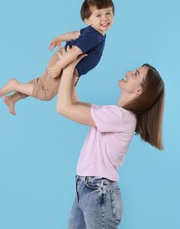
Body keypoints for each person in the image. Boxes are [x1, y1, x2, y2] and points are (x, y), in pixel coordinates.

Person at [56, 53, 165, 229]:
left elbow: (63, 107)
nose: (129, 72)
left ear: (139, 91)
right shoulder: (114, 113)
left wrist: (68, 66)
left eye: (136, 74)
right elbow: (73, 104)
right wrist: (74, 72)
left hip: (98, 192)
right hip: (86, 189)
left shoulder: (121, 117)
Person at [0, 0, 115, 115]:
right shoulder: (93, 36)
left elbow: (75, 34)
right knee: (45, 94)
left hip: (61, 62)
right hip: (63, 64)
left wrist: (60, 37)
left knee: (40, 84)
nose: (105, 18)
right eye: (99, 15)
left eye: (108, 13)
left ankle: (12, 98)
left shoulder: (92, 31)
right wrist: (59, 67)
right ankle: (15, 85)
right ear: (88, 20)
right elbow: (75, 51)